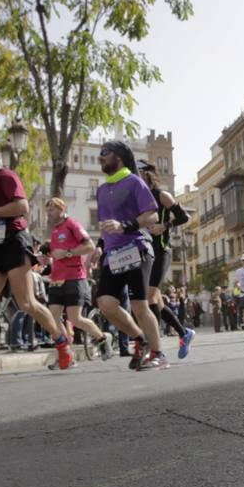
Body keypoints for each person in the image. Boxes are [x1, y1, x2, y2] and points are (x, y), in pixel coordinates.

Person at [0, 142, 73, 381]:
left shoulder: (7, 175)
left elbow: (22, 206)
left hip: (14, 243)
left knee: (26, 303)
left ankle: (61, 342)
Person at [93, 141, 168, 371]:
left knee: (139, 305)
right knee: (105, 304)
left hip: (137, 248)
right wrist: (98, 247)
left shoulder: (134, 182)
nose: (101, 157)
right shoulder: (102, 190)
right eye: (100, 153)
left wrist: (126, 225)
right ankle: (140, 339)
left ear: (120, 157)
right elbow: (107, 225)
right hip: (112, 254)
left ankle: (158, 354)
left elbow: (153, 215)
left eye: (106, 153)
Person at [138, 161, 196, 358]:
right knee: (156, 301)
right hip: (144, 252)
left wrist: (165, 225)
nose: (135, 175)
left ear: (147, 174)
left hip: (161, 250)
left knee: (150, 295)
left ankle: (153, 347)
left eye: (138, 171)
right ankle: (184, 332)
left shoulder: (162, 195)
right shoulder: (137, 199)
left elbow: (184, 217)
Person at [44, 197, 113, 361]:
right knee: (51, 317)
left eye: (51, 210)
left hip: (75, 277)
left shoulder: (72, 225)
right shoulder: (54, 231)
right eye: (47, 211)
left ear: (62, 210)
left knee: (75, 318)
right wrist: (49, 261)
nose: (49, 214)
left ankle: (103, 338)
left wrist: (68, 252)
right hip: (57, 279)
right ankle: (66, 353)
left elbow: (89, 246)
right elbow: (57, 255)